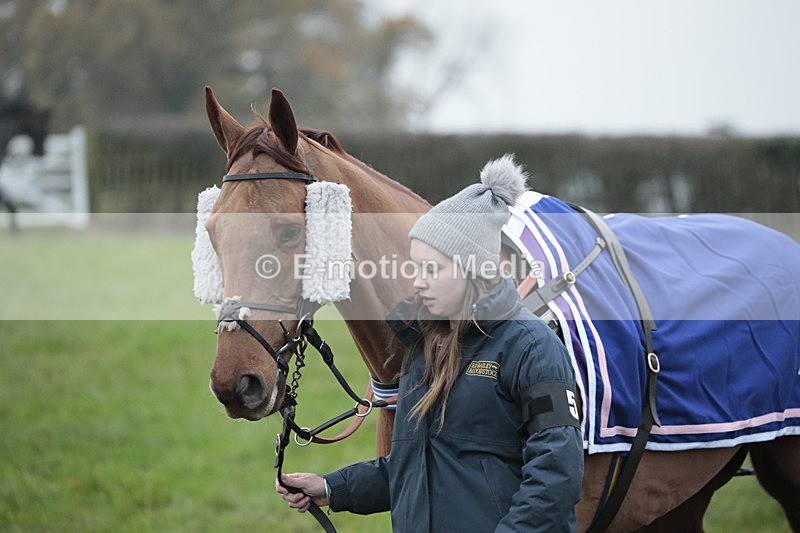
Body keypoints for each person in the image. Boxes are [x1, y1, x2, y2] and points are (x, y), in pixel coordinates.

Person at [277, 155, 584, 532]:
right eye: (415, 267)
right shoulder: (421, 347)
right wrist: (331, 487)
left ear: (473, 269)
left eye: (432, 269)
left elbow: (557, 475)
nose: (417, 282)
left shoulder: (532, 347)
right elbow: (412, 465)